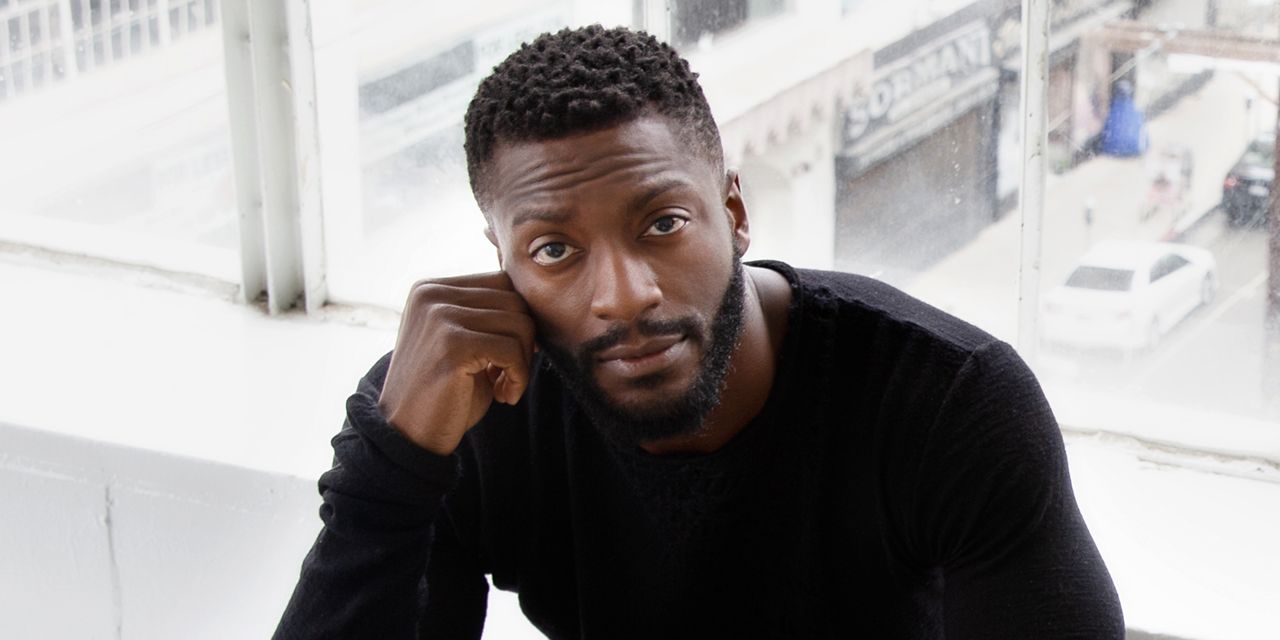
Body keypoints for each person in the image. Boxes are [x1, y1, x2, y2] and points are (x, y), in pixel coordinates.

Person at [273, 25, 1124, 639]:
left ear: (735, 212)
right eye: (555, 250)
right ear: (503, 264)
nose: (625, 296)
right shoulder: (460, 409)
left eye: (663, 224)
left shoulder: (946, 402)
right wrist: (397, 463)